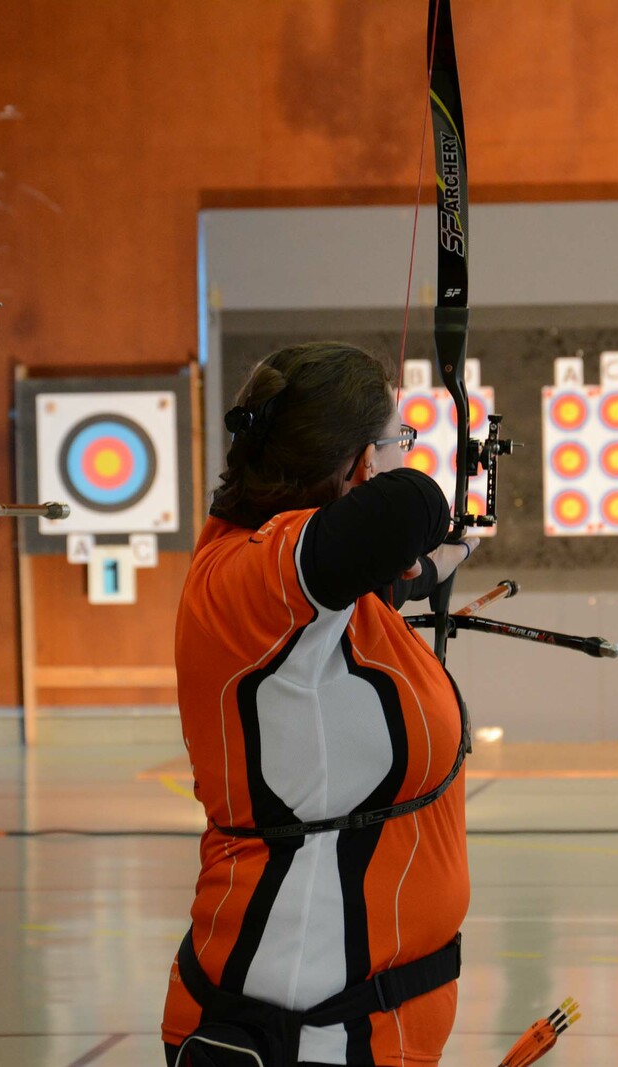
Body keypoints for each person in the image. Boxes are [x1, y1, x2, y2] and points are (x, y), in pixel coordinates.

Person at [162, 342, 479, 1067]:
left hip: (348, 1026)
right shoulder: (250, 573)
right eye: (398, 439)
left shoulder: (304, 592)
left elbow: (370, 579)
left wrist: (442, 562)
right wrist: (418, 519)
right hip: (297, 1033)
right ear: (360, 466)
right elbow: (410, 506)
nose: (406, 454)